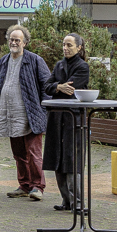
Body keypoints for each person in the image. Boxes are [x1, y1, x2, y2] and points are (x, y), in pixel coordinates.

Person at [0, 25, 51, 201]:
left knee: (33, 152)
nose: (14, 42)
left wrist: (43, 110)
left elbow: (46, 85)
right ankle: (24, 185)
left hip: (30, 114)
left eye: (17, 40)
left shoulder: (35, 60)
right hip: (10, 114)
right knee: (18, 153)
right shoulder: (3, 61)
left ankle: (37, 187)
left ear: (25, 42)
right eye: (11, 39)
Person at [42, 33, 90, 209]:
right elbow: (47, 86)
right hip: (56, 117)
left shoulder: (82, 66)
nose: (65, 48)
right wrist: (57, 87)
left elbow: (71, 89)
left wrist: (57, 87)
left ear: (78, 47)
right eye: (63, 44)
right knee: (57, 157)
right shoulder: (59, 64)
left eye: (69, 45)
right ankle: (66, 201)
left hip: (73, 117)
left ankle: (78, 202)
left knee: (72, 159)